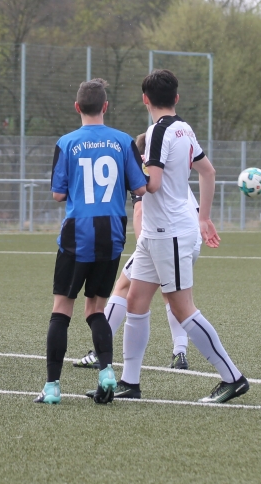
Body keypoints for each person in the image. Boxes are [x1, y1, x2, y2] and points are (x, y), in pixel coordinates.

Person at [116, 69, 248, 404]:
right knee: (136, 301)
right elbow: (208, 171)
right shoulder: (184, 128)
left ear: (145, 99)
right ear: (175, 98)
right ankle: (129, 382)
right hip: (157, 233)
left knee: (181, 308)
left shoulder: (158, 131)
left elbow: (153, 185)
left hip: (170, 232)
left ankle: (233, 378)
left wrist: (128, 171)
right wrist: (203, 217)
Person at [34, 79, 147, 405]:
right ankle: (107, 372)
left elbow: (58, 194)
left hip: (78, 232)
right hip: (111, 233)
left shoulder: (67, 142)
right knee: (97, 308)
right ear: (105, 106)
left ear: (77, 107)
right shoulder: (124, 141)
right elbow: (140, 188)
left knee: (62, 309)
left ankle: (52, 387)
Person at [74, 132, 216, 374]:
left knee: (123, 287)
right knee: (173, 296)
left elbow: (140, 213)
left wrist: (144, 248)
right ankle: (179, 352)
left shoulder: (145, 170)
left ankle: (99, 351)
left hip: (166, 238)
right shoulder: (171, 168)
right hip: (189, 238)